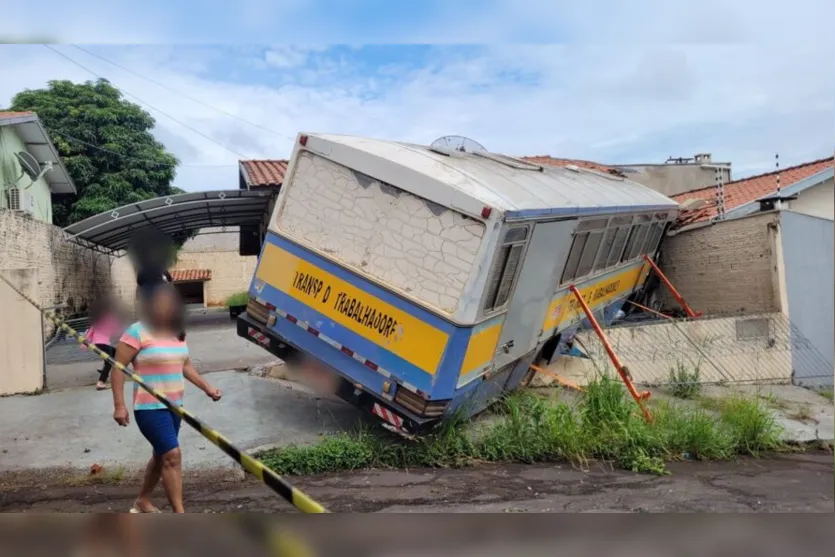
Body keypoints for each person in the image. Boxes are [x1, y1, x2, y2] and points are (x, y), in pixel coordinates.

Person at [111, 284, 222, 513]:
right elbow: (118, 368)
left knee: (161, 455)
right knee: (172, 455)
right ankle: (179, 513)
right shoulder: (137, 331)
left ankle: (142, 501)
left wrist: (207, 388)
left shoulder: (177, 332)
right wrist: (119, 405)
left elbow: (185, 365)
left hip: (175, 407)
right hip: (149, 407)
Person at [83, 296, 124, 391]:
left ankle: (105, 371)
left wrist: (85, 342)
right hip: (104, 344)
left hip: (98, 345)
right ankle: (101, 382)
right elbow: (117, 330)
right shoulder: (110, 318)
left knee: (115, 353)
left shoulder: (98, 320)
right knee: (110, 361)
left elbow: (91, 331)